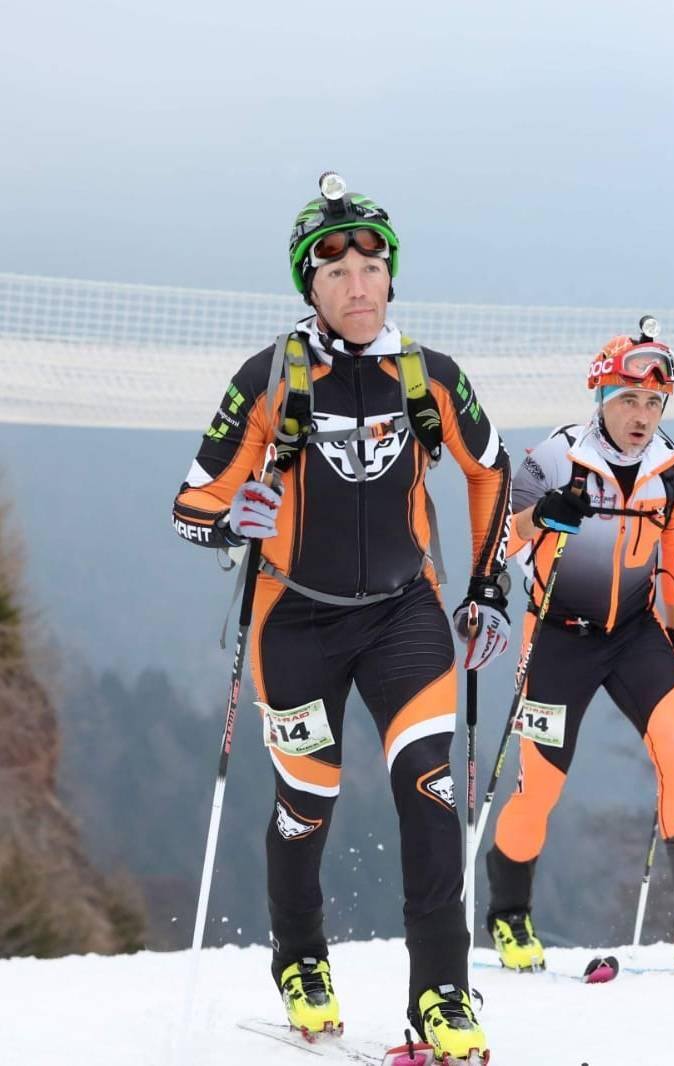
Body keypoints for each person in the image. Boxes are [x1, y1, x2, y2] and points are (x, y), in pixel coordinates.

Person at [172, 172, 510, 1063]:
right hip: (295, 622)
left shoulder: (428, 375)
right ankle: (301, 960)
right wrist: (225, 516)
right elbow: (189, 500)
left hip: (405, 615)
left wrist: (484, 589)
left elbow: (491, 470)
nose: (357, 286)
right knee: (306, 800)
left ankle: (440, 994)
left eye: (371, 267)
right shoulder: (269, 379)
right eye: (335, 273)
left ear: (391, 277)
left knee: (431, 794)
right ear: (309, 287)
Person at [484, 321, 674, 972]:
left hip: (634, 635)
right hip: (558, 638)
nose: (641, 416)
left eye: (654, 403)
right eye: (628, 399)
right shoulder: (551, 460)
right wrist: (539, 516)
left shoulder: (672, 471)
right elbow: (498, 545)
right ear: (600, 397)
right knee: (538, 786)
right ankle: (509, 918)